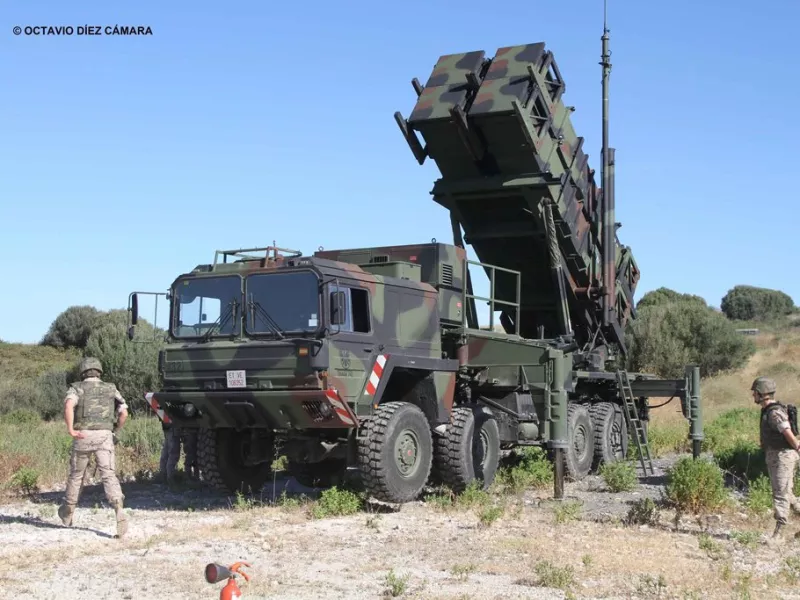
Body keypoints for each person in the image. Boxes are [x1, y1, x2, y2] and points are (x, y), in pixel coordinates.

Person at [58, 357, 129, 538]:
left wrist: (71, 429)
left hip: (83, 435)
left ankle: (68, 511)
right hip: (104, 436)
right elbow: (123, 412)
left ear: (83, 372)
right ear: (99, 371)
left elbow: (68, 405)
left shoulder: (77, 388)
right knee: (108, 474)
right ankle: (118, 509)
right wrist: (114, 430)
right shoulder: (111, 388)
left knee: (76, 475)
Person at [753, 376, 800, 537]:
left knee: (780, 494)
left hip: (783, 456)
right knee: (787, 493)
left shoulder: (774, 412)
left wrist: (797, 447)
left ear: (761, 393)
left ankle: (779, 533)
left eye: (755, 393)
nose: (753, 396)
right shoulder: (768, 411)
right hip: (776, 455)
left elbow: (786, 430)